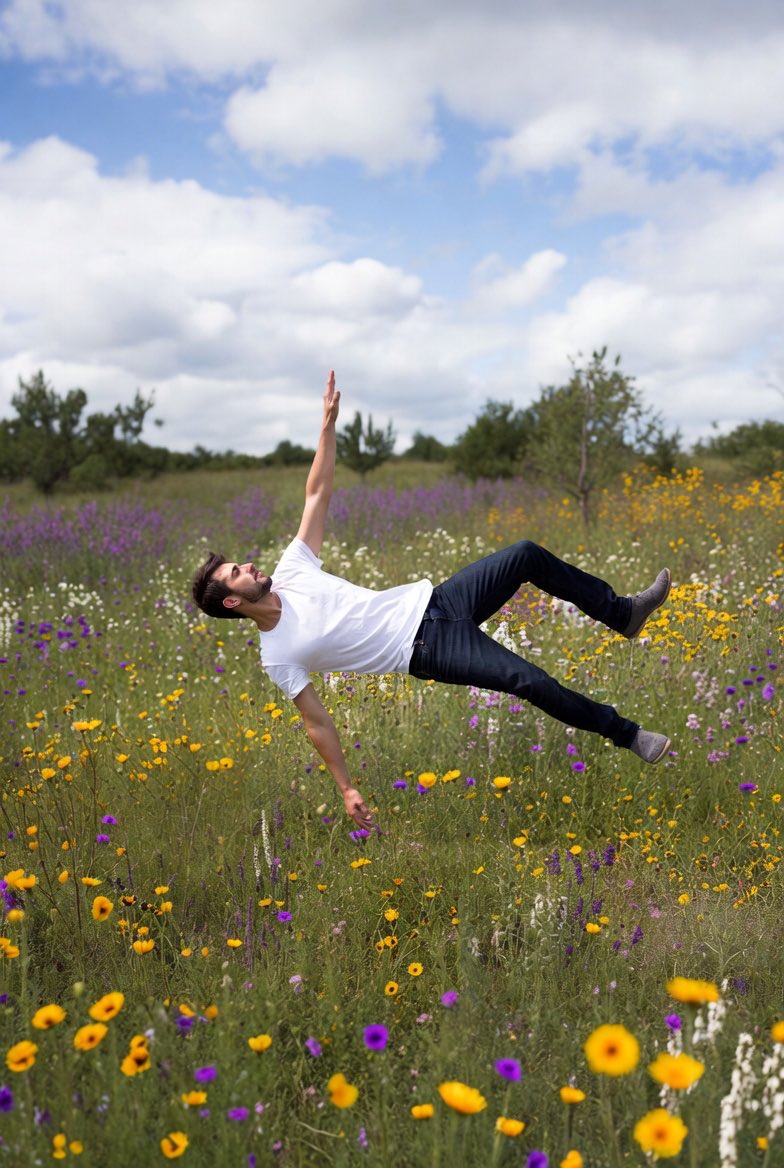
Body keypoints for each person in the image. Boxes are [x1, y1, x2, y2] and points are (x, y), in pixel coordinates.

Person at [192, 371, 672, 830]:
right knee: (530, 681)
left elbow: (316, 493)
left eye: (240, 564)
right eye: (236, 573)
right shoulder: (278, 656)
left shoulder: (293, 570)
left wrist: (327, 425)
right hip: (429, 650)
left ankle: (622, 614)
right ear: (232, 602)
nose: (248, 566)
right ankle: (628, 734)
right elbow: (316, 722)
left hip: (438, 600)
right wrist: (346, 787)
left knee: (525, 554)